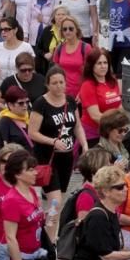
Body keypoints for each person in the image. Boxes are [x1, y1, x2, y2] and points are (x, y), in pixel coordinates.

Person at [29, 67, 87, 206]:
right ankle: (50, 224)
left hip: (66, 156)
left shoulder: (70, 101)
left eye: (61, 82)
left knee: (60, 199)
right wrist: (52, 141)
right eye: (54, 83)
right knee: (55, 200)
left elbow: (77, 126)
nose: (59, 86)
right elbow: (32, 132)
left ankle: (52, 225)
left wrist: (84, 145)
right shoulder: (40, 104)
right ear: (47, 85)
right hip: (47, 157)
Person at [0, 150, 46, 260]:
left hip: (32, 257)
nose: (36, 172)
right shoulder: (12, 200)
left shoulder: (31, 191)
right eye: (30, 169)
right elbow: (10, 237)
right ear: (18, 174)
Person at [78, 48, 122, 147]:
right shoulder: (87, 85)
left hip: (113, 133)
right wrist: (114, 127)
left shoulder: (113, 81)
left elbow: (119, 106)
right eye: (99, 63)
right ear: (91, 66)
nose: (103, 66)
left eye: (105, 63)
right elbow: (95, 115)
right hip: (93, 136)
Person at [51, 14, 91, 98]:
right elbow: (56, 72)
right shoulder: (59, 48)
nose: (67, 31)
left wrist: (82, 92)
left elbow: (90, 74)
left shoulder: (86, 48)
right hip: (62, 93)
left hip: (81, 94)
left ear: (76, 29)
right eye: (64, 29)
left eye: (71, 29)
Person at [0, 18, 35, 84]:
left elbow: (32, 70)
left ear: (15, 30)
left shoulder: (26, 47)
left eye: (6, 29)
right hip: (2, 86)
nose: (3, 32)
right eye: (1, 29)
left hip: (20, 86)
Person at [0, 86, 34, 153]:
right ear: (10, 105)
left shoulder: (31, 115)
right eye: (21, 103)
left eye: (27, 102)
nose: (25, 105)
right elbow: (4, 148)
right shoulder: (4, 122)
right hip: (18, 160)